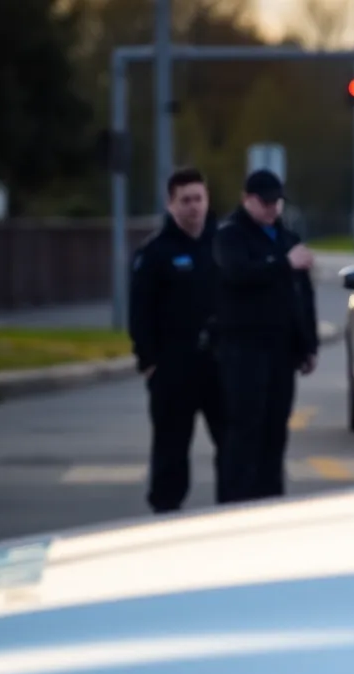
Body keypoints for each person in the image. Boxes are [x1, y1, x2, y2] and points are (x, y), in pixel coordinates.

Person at [212, 169, 319, 503]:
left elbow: (302, 296)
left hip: (280, 352)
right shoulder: (231, 236)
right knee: (245, 431)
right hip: (243, 351)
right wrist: (283, 263)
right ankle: (236, 501)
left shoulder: (286, 237)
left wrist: (308, 344)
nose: (272, 208)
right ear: (247, 200)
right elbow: (238, 274)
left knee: (275, 432)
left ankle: (271, 500)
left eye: (277, 202)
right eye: (265, 202)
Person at [128, 166, 225, 513]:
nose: (193, 207)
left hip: (219, 368)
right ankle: (166, 516)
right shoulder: (155, 253)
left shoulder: (224, 245)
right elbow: (140, 313)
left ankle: (234, 515)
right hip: (173, 370)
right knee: (171, 453)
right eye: (185, 200)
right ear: (171, 204)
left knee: (233, 450)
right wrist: (149, 362)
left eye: (198, 198)